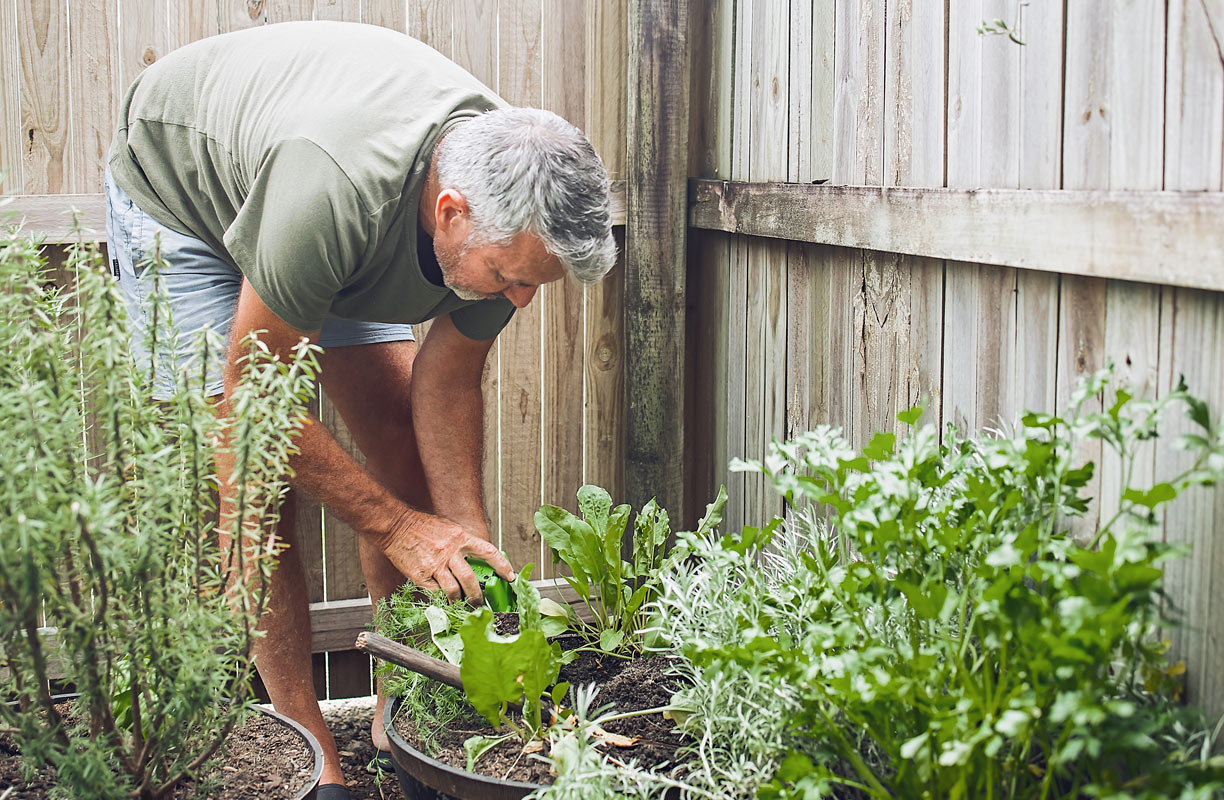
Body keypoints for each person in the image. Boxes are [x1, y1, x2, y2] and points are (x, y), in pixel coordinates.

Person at [104, 20, 615, 799]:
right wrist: (400, 528)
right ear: (450, 213)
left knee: (401, 453)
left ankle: (399, 720)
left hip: (326, 213)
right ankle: (310, 751)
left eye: (534, 284)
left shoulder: (507, 199)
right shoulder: (333, 195)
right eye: (512, 276)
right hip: (185, 190)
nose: (518, 299)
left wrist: (462, 535)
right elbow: (255, 404)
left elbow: (443, 385)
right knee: (256, 487)